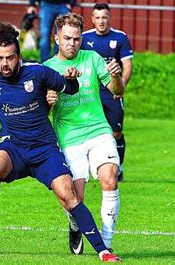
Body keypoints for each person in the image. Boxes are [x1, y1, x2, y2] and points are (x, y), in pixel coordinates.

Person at [0, 23, 121, 262]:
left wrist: (71, 80)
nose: (5, 64)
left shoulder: (38, 72)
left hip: (44, 151)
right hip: (14, 148)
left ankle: (103, 251)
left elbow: (68, 88)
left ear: (19, 56)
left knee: (69, 197)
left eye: (9, 58)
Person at [43, 13, 124, 254]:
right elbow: (41, 111)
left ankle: (107, 244)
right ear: (57, 38)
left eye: (77, 39)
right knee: (75, 199)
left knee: (110, 179)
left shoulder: (93, 58)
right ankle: (74, 225)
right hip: (69, 138)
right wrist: (48, 101)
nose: (72, 43)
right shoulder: (46, 69)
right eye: (67, 38)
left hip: (99, 131)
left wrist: (116, 75)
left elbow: (117, 91)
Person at [81, 3, 134, 182]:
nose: (101, 21)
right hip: (91, 92)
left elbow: (127, 65)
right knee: (88, 129)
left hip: (112, 92)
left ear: (109, 18)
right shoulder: (84, 38)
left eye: (104, 17)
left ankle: (119, 168)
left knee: (116, 132)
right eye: (97, 18)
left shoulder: (120, 38)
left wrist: (121, 86)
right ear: (92, 19)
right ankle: (88, 168)